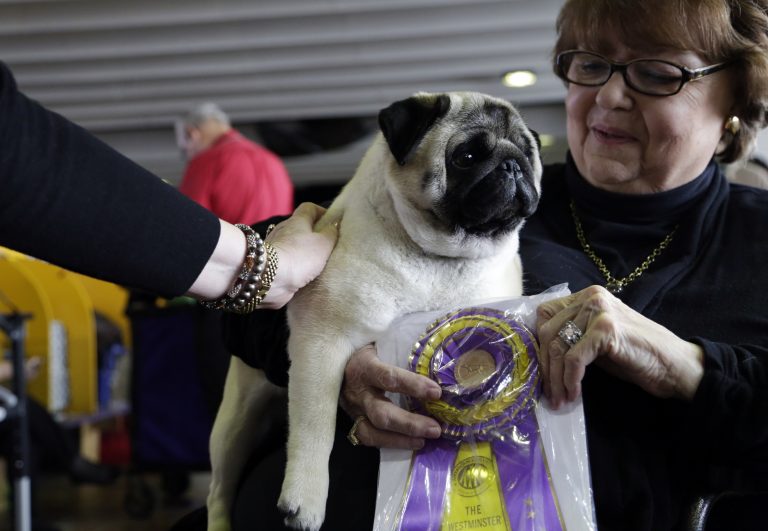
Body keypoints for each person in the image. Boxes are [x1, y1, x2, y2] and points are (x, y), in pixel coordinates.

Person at [218, 1, 768, 530]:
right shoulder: (472, 200)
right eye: (590, 65)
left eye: (656, 73)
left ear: (738, 103)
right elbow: (244, 309)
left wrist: (683, 365)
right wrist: (347, 368)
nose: (609, 95)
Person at [0, 59, 337, 531]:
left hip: (225, 301)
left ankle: (213, 493)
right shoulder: (269, 161)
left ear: (196, 134)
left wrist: (254, 270)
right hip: (293, 293)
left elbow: (191, 214)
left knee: (223, 402)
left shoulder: (208, 160)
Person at [179, 102, 294, 225]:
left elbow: (189, 220)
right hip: (273, 242)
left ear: (193, 134)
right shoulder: (272, 159)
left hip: (234, 243)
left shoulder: (205, 162)